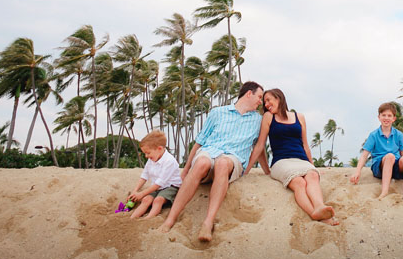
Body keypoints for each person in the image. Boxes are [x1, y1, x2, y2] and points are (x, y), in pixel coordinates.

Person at [159, 81, 266, 241]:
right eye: (259, 97)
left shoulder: (258, 121)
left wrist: (257, 170)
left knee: (223, 163)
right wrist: (186, 170)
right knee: (202, 162)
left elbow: (260, 148)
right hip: (209, 152)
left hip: (232, 159)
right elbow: (200, 142)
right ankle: (170, 219)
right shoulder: (217, 113)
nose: (261, 101)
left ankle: (208, 223)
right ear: (249, 94)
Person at [244, 88, 339, 225]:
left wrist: (312, 165)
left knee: (312, 176)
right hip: (281, 162)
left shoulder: (299, 117)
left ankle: (319, 207)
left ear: (279, 98)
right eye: (264, 102)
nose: (266, 104)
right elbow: (260, 145)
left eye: (268, 100)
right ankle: (314, 214)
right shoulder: (269, 117)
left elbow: (305, 145)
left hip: (301, 160)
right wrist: (247, 170)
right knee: (299, 182)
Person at [350, 102, 403, 199]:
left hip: (395, 168)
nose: (386, 118)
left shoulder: (399, 134)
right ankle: (384, 192)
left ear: (394, 118)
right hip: (379, 167)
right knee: (390, 156)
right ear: (379, 117)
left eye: (389, 115)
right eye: (383, 115)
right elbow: (364, 156)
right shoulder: (373, 135)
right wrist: (357, 171)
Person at [127, 130, 182, 219]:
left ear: (159, 149)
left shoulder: (169, 161)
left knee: (158, 200)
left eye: (148, 153)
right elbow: (144, 176)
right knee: (146, 199)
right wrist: (135, 191)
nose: (146, 156)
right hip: (156, 187)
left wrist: (141, 193)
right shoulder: (151, 160)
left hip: (170, 186)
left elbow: (160, 182)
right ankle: (132, 218)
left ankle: (148, 219)